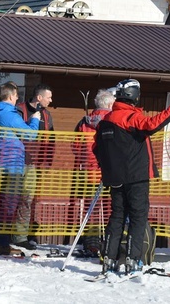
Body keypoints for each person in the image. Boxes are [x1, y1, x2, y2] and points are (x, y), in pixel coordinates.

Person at [94, 79, 170, 275]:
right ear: (134, 96)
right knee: (138, 217)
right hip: (136, 176)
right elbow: (152, 124)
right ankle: (132, 258)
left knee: (117, 217)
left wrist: (108, 170)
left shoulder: (105, 121)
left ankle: (109, 260)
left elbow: (96, 148)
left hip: (115, 178)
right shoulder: (130, 117)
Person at [0, 81, 41, 255]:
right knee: (9, 204)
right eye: (16, 95)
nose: (17, 98)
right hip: (11, 165)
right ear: (10, 96)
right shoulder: (9, 114)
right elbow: (30, 135)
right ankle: (2, 243)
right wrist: (35, 120)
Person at [71, 88, 115, 256]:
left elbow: (76, 146)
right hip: (109, 171)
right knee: (111, 208)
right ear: (110, 104)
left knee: (92, 209)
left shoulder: (84, 121)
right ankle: (108, 242)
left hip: (88, 171)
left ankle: (91, 241)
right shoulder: (112, 119)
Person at [16, 84, 55, 247]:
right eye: (49, 97)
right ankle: (0, 234)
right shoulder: (18, 111)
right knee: (9, 199)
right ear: (39, 98)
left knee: (27, 200)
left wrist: (47, 160)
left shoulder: (47, 116)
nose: (51, 100)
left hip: (33, 164)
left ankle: (21, 236)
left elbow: (51, 139)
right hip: (15, 160)